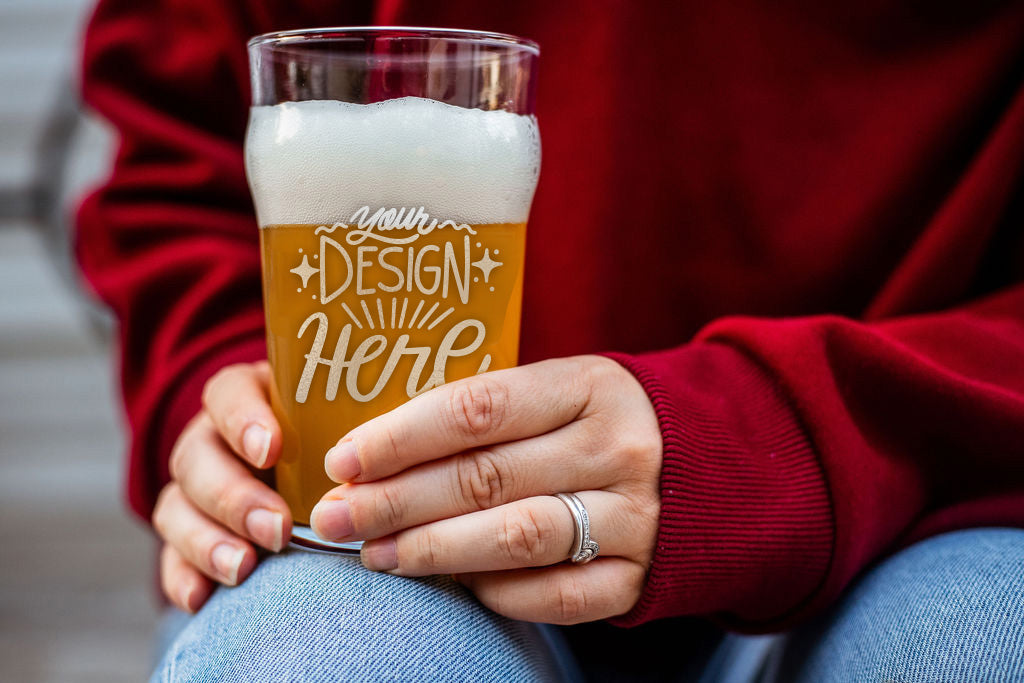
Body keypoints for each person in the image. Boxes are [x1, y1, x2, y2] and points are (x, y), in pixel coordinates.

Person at [76, 0, 1024, 681]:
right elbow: (178, 146)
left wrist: (784, 441)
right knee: (327, 661)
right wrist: (231, 391)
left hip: (931, 498)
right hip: (376, 520)